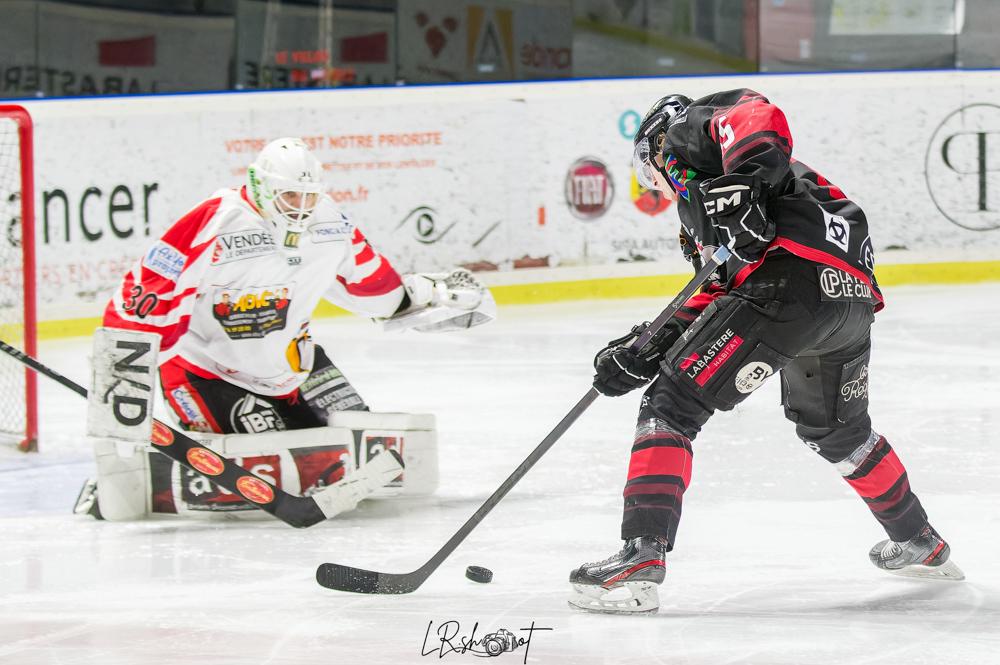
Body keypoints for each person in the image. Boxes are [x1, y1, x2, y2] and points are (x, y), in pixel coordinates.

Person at [568, 90, 963, 615]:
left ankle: (640, 557)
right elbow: (717, 289)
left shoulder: (684, 136)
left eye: (651, 173)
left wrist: (743, 183)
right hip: (847, 301)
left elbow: (752, 113)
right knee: (839, 431)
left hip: (788, 284)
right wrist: (650, 343)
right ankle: (920, 542)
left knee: (671, 406)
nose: (660, 186)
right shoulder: (732, 206)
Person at [77, 137, 491, 519]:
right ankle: (123, 484)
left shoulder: (329, 224)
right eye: (290, 194)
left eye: (310, 196)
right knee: (266, 473)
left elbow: (369, 283)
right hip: (207, 372)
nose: (301, 206)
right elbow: (149, 291)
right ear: (260, 186)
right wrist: (123, 379)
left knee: (354, 454)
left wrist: (424, 295)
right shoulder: (217, 221)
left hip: (296, 365)